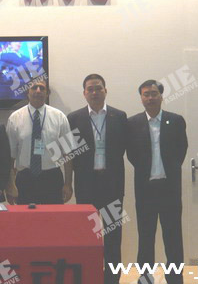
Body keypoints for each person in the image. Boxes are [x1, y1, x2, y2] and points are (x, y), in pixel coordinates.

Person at [67, 74, 128, 284]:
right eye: (90, 89)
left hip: (112, 184)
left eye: (98, 88)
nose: (94, 92)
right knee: (87, 236)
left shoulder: (119, 116)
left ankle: (112, 279)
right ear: (84, 93)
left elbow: (125, 148)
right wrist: (68, 183)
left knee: (113, 236)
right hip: (86, 185)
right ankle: (89, 277)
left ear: (105, 90)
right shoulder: (74, 118)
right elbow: (70, 153)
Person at [127, 80, 188, 284]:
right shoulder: (132, 123)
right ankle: (145, 278)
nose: (150, 98)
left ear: (161, 96)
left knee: (173, 236)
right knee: (145, 237)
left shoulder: (175, 120)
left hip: (169, 188)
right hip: (145, 189)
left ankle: (175, 278)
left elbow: (181, 150)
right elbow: (132, 155)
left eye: (154, 93)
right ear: (141, 98)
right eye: (146, 94)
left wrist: (170, 169)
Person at [5, 79, 73, 205]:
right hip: (25, 178)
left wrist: (68, 184)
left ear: (47, 93)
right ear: (27, 92)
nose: (38, 91)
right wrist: (10, 184)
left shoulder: (59, 117)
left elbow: (68, 154)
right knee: (26, 217)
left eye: (42, 88)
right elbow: (10, 156)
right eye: (34, 87)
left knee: (53, 217)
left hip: (52, 178)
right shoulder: (15, 118)